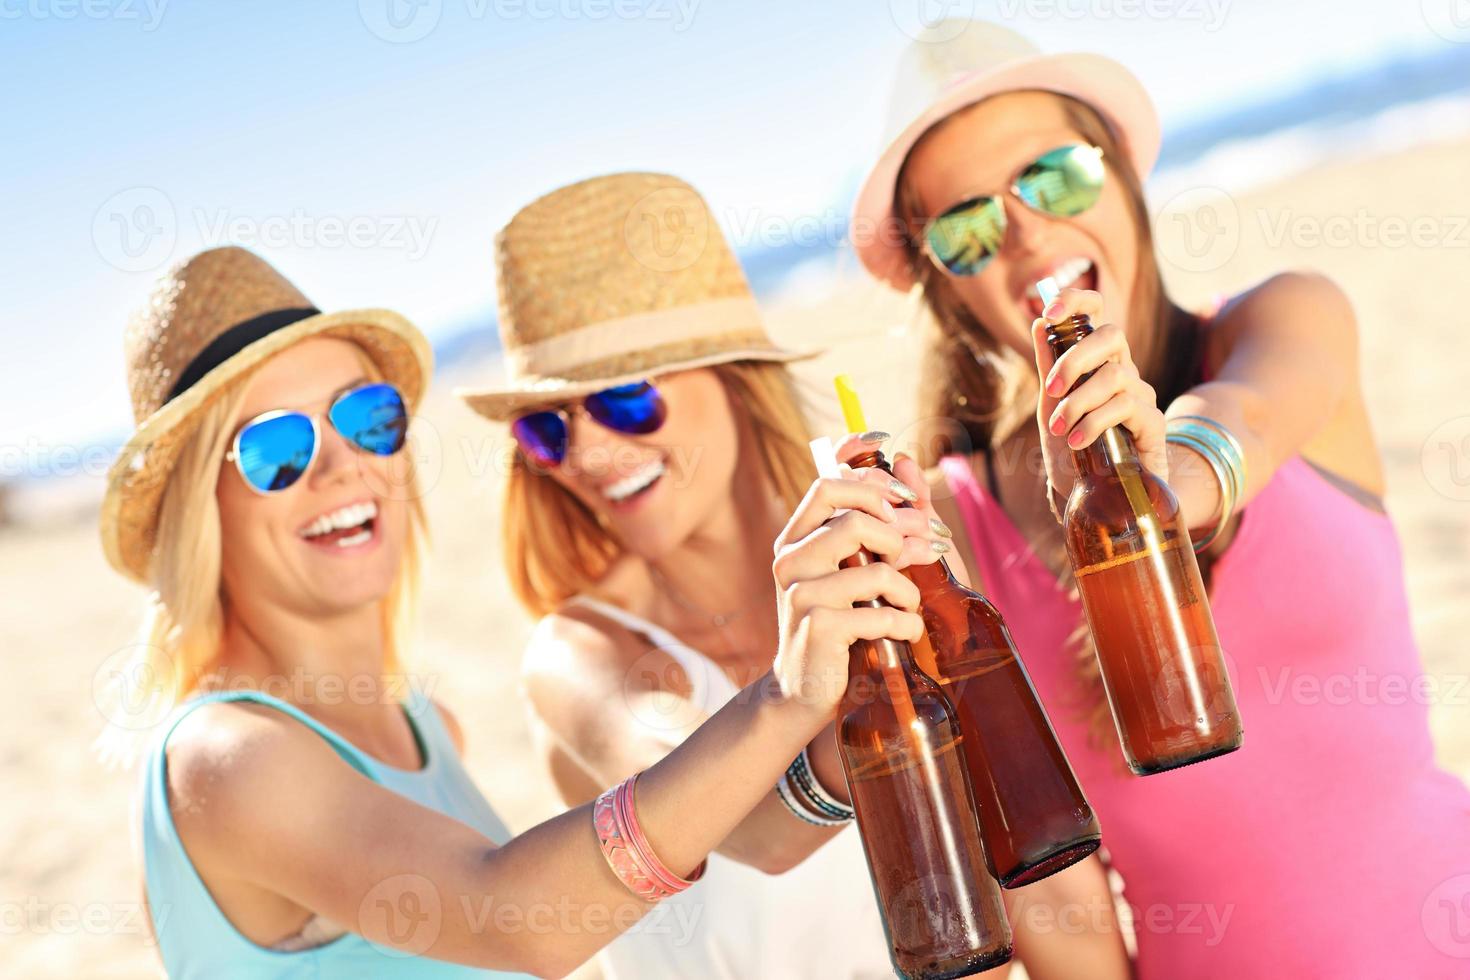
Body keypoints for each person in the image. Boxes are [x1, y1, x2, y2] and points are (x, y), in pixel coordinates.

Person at [98, 245, 936, 978]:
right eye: (273, 451)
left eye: (366, 418)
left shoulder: (428, 730)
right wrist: (788, 698)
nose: (342, 465)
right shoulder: (226, 757)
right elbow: (516, 920)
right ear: (195, 513)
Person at [848, 20, 1470, 978]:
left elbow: (1247, 422)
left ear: (1121, 181)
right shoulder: (949, 535)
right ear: (943, 282)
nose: (1025, 232)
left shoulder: (1278, 322)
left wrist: (1147, 487)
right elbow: (1056, 894)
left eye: (1053, 178)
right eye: (966, 227)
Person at [458, 171, 1131, 978]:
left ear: (734, 379)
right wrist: (824, 702)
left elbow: (1042, 892)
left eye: (625, 400)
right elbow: (747, 829)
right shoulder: (577, 656)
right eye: (544, 428)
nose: (588, 454)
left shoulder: (897, 562)